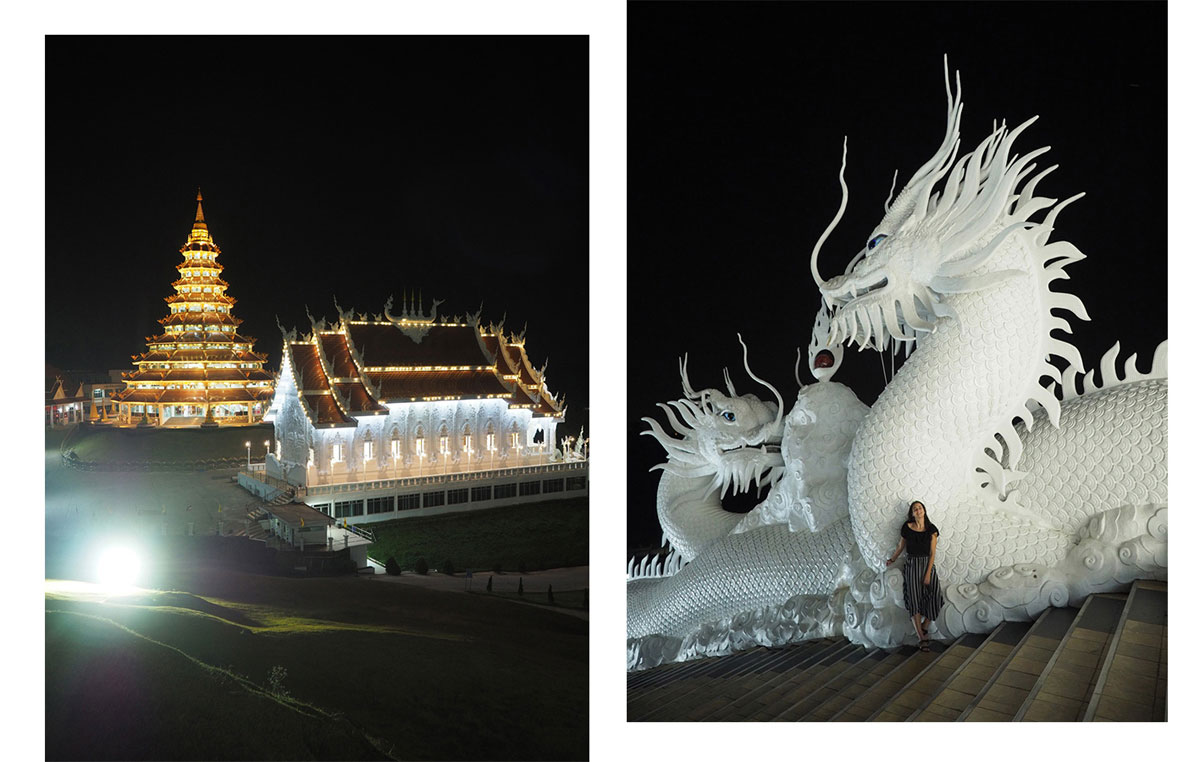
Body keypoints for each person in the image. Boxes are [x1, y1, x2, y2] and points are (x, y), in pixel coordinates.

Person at [884, 500, 944, 651]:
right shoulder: (907, 527)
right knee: (914, 597)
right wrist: (893, 559)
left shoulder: (932, 530)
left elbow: (932, 554)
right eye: (915, 509)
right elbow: (900, 546)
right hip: (912, 565)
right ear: (912, 513)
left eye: (920, 508)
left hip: (927, 565)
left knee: (936, 596)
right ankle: (920, 636)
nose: (918, 510)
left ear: (924, 510)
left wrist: (928, 573)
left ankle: (924, 626)